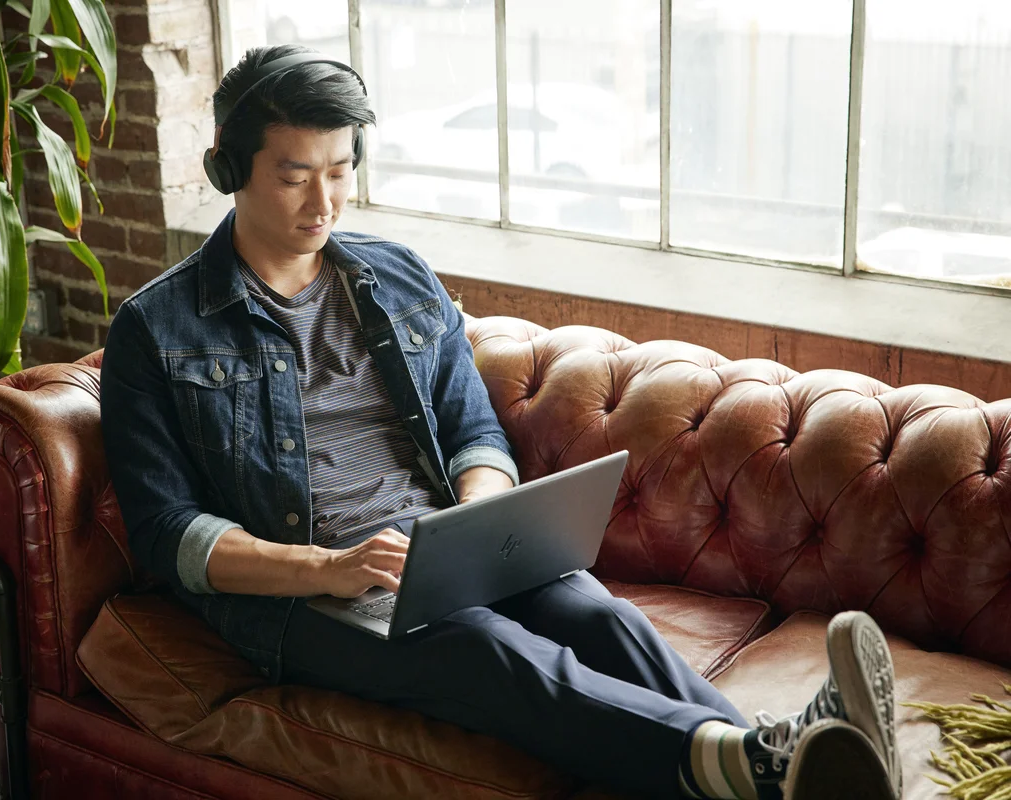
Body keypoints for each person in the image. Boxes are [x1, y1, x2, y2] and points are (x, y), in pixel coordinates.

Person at [99, 44, 902, 800]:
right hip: (304, 594)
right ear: (228, 168)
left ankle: (775, 764)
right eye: (295, 176)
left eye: (341, 171)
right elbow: (167, 532)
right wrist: (324, 568)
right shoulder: (157, 328)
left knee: (599, 615)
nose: (324, 202)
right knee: (489, 653)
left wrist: (484, 509)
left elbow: (473, 430)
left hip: (447, 547)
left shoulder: (398, 276)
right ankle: (772, 760)